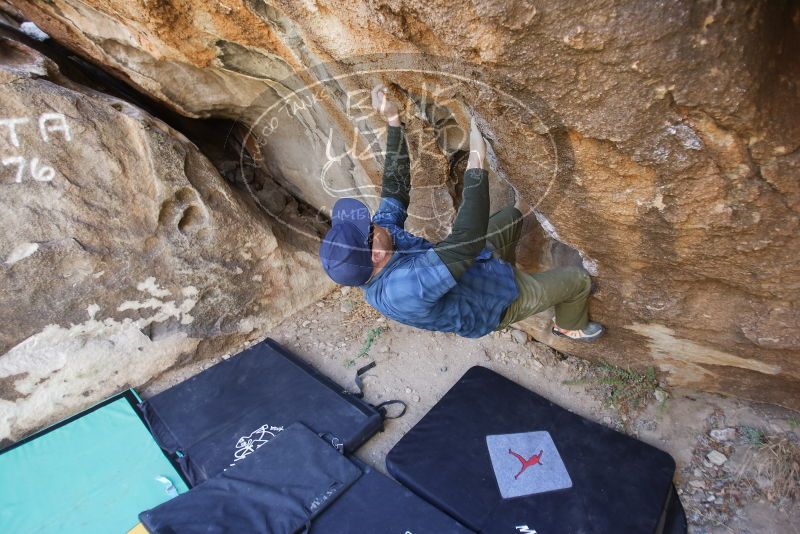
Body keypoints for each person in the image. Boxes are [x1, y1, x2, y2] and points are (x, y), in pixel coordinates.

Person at [319, 84, 604, 342]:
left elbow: (394, 190)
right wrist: (477, 161)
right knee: (578, 281)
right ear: (376, 254)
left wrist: (393, 122)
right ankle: (568, 326)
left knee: (514, 214)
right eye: (368, 228)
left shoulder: (379, 242)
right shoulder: (402, 291)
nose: (372, 221)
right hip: (495, 303)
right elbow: (464, 242)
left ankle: (510, 242)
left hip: (478, 264)